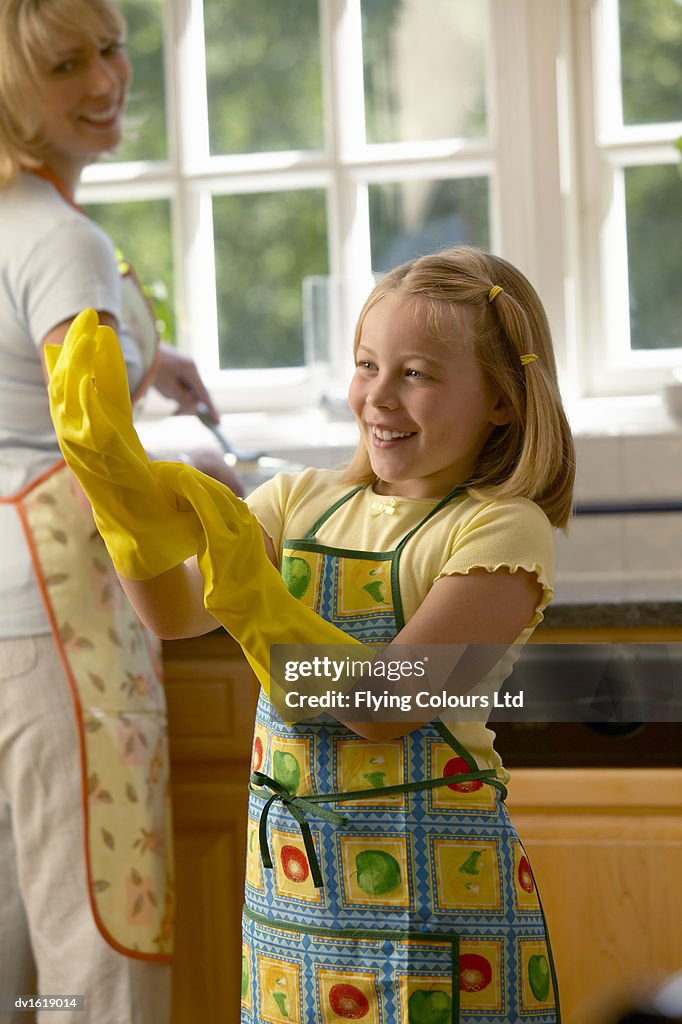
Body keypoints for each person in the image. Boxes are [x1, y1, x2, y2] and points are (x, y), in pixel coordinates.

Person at [46, 245, 576, 1023]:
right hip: (295, 909)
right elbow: (174, 613)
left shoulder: (501, 529)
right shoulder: (300, 499)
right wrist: (117, 493)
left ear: (502, 399)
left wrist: (256, 591)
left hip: (438, 922)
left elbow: (383, 705)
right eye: (368, 365)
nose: (379, 397)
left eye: (417, 374)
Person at [0, 1, 241, 1021]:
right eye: (66, 64)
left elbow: (36, 395)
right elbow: (89, 443)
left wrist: (143, 365)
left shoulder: (17, 218)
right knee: (95, 936)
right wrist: (208, 500)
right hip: (64, 621)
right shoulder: (62, 241)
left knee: (15, 940)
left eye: (112, 50)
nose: (106, 83)